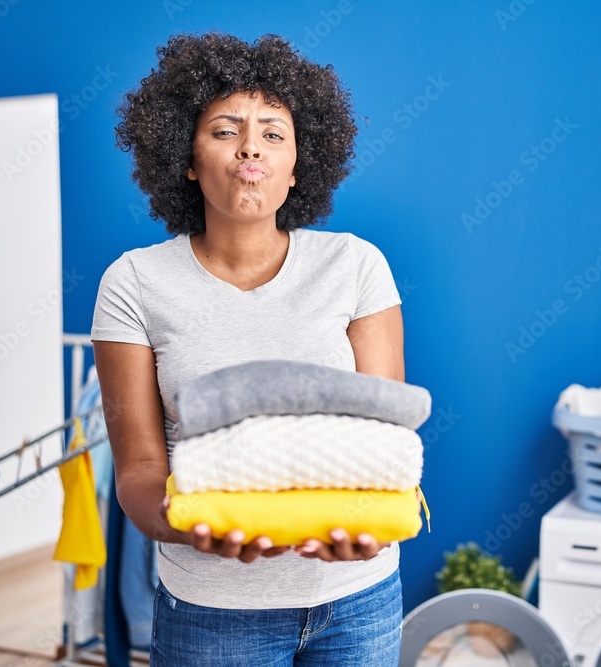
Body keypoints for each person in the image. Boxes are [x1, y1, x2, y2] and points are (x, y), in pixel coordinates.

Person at [91, 33, 406, 666]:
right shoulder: (133, 282)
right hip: (212, 614)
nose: (250, 149)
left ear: (298, 165)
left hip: (358, 603)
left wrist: (370, 521)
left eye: (273, 134)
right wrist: (197, 528)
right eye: (225, 130)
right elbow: (139, 473)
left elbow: (383, 440)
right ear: (186, 157)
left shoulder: (355, 266)